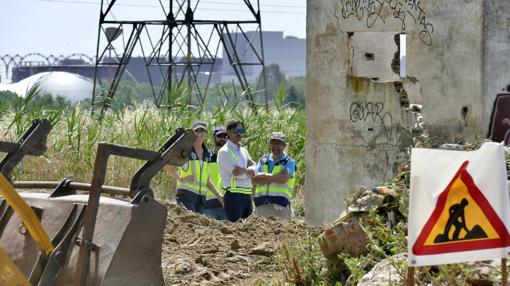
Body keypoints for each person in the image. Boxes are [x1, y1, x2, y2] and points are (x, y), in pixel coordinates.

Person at [166, 121, 223, 213]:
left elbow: (206, 179)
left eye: (202, 130)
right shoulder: (185, 149)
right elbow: (167, 163)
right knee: (187, 224)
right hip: (185, 195)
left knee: (198, 226)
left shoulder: (207, 154)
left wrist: (218, 195)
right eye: (197, 130)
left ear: (206, 133)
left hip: (201, 198)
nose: (200, 133)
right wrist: (180, 179)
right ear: (192, 133)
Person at [217, 120, 256, 222]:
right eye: (236, 130)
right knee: (235, 230)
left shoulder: (243, 151)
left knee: (248, 231)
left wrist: (244, 170)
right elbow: (236, 174)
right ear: (228, 132)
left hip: (247, 195)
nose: (239, 133)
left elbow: (255, 168)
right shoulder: (224, 152)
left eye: (241, 130)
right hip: (233, 196)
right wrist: (248, 172)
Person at [252, 132, 296, 220]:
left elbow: (283, 179)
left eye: (279, 143)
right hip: (261, 205)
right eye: (273, 143)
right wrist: (276, 177)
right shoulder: (263, 160)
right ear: (270, 144)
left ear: (284, 146)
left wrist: (264, 175)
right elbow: (254, 178)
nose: (275, 146)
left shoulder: (289, 162)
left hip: (280, 207)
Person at [202, 126, 228, 220]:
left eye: (225, 136)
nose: (223, 138)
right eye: (219, 136)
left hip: (227, 206)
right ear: (213, 137)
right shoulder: (205, 156)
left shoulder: (232, 157)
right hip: (208, 206)